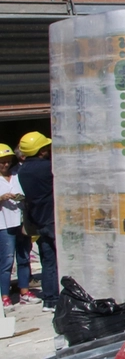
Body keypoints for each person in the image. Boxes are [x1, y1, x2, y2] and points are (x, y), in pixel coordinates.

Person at [16, 132, 56, 312]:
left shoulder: (23, 170)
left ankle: (50, 300)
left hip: (39, 221)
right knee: (59, 261)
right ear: (41, 150)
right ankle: (60, 298)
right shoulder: (49, 168)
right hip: (53, 220)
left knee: (48, 261)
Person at [0, 144, 36, 307]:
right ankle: (5, 295)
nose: (5, 165)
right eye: (2, 162)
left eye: (7, 161)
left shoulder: (17, 174)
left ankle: (24, 291)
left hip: (21, 222)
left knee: (24, 258)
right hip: (4, 224)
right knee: (7, 261)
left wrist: (21, 197)